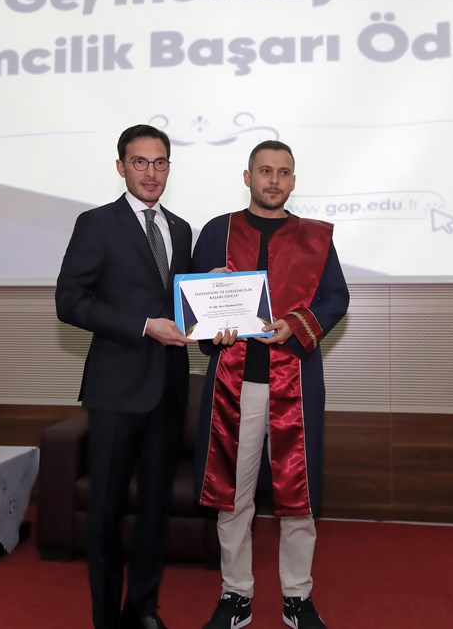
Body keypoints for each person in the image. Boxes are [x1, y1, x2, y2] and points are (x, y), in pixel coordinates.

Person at [192, 140, 349, 629]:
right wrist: (207, 306)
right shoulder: (217, 231)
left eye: (283, 172)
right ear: (248, 177)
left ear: (293, 181)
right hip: (232, 385)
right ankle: (235, 593)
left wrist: (296, 323)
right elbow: (192, 301)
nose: (274, 180)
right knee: (233, 496)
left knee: (297, 497)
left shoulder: (315, 237)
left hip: (294, 384)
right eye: (265, 171)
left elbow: (335, 298)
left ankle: (297, 596)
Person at [55, 124, 192, 629]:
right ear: (121, 167)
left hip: (168, 390)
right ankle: (106, 619)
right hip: (115, 391)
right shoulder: (96, 224)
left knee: (155, 512)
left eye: (159, 163)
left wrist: (213, 290)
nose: (150, 173)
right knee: (106, 514)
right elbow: (69, 301)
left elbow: (181, 300)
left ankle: (143, 610)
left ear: (169, 168)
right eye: (140, 162)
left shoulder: (181, 229)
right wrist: (142, 325)